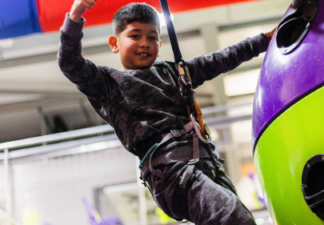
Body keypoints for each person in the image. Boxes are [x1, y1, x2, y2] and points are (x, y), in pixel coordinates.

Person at [58, 0, 275, 224]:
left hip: (206, 164)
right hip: (171, 173)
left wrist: (266, 40)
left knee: (241, 217)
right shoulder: (109, 84)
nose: (144, 43)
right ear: (115, 44)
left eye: (152, 37)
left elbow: (221, 59)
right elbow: (69, 62)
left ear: (160, 44)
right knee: (232, 216)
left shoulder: (175, 72)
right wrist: (76, 14)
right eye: (135, 36)